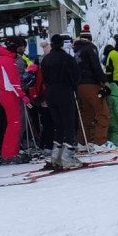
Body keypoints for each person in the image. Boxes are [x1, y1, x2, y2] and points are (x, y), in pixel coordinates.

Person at [40, 35, 82, 169]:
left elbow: (44, 78)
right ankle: (67, 156)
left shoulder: (45, 59)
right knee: (69, 123)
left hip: (51, 93)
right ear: (61, 44)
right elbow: (76, 76)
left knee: (58, 125)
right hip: (65, 92)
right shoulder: (67, 58)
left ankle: (56, 156)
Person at [75, 34, 112, 152]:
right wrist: (104, 81)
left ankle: (83, 142)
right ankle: (100, 143)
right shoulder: (90, 48)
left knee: (87, 114)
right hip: (91, 84)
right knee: (103, 113)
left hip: (80, 86)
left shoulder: (77, 50)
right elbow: (96, 66)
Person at [0, 37, 31, 162]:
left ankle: (10, 151)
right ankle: (9, 153)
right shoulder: (8, 60)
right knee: (15, 124)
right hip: (10, 94)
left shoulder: (3, 58)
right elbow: (13, 81)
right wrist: (22, 95)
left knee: (13, 124)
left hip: (6, 93)